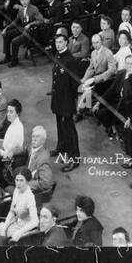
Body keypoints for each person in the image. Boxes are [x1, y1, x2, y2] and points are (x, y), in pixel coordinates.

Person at [49, 32, 81, 168]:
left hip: (66, 101)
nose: (58, 44)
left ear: (66, 43)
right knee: (60, 126)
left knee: (69, 129)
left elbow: (74, 83)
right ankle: (61, 148)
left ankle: (74, 158)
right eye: (56, 42)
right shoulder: (58, 55)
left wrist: (72, 101)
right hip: (57, 98)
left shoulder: (70, 60)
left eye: (61, 42)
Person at [0, 169, 38, 242]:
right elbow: (12, 211)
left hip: (24, 229)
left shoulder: (30, 197)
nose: (18, 183)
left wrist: (20, 232)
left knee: (0, 240)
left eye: (21, 180)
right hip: (15, 223)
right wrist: (4, 228)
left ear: (27, 182)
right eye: (17, 180)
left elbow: (35, 221)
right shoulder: (16, 190)